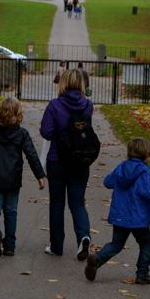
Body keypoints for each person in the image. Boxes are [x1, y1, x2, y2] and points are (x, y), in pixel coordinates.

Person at [84, 137, 150, 284]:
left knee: (116, 245)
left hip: (120, 216)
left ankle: (98, 258)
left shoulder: (121, 168)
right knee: (146, 244)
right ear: (147, 156)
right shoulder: (144, 172)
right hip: (138, 219)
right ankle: (142, 274)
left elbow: (108, 182)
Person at [0, 97, 45, 258]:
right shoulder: (22, 134)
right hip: (13, 179)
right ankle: (9, 246)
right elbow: (31, 155)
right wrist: (40, 175)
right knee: (11, 211)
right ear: (18, 114)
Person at [40, 68, 95, 260]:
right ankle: (84, 236)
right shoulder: (88, 106)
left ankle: (57, 245)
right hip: (80, 160)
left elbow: (46, 132)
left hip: (58, 160)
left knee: (57, 204)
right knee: (78, 203)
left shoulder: (54, 105)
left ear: (63, 83)